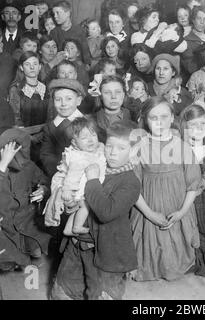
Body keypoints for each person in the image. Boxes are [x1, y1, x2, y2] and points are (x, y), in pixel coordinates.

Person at [50, 122, 141, 300]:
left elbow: (106, 212)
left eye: (121, 148)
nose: (113, 152)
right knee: (63, 292)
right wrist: (69, 202)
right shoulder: (96, 162)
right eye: (109, 146)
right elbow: (75, 196)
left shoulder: (131, 182)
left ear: (133, 152)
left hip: (107, 249)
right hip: (77, 243)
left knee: (100, 294)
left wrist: (92, 181)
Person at [130, 96, 201, 281]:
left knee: (176, 247)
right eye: (153, 118)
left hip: (178, 206)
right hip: (148, 206)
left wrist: (181, 212)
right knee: (149, 251)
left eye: (164, 116)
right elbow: (133, 188)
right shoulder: (138, 148)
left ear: (172, 118)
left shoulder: (184, 148)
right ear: (145, 120)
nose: (159, 122)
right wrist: (150, 214)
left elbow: (193, 185)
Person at [44, 118, 106, 236]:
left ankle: (68, 229)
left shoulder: (93, 149)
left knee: (78, 209)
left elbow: (100, 150)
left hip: (85, 183)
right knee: (85, 205)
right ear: (74, 143)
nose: (90, 140)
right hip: (75, 187)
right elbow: (72, 175)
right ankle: (77, 227)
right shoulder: (78, 157)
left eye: (93, 135)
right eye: (84, 138)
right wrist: (67, 190)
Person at [0, 129, 50, 271]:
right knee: (9, 258)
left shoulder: (29, 167)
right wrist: (2, 166)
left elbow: (44, 180)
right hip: (4, 223)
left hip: (25, 220)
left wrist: (43, 190)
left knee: (37, 251)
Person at [40, 78, 86, 178]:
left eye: (69, 99)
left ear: (78, 100)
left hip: (84, 174)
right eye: (58, 99)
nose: (63, 104)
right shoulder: (50, 127)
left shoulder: (88, 123)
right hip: (58, 174)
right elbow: (46, 155)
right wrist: (59, 173)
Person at [8, 52, 49, 128]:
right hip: (25, 134)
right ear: (21, 67)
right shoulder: (16, 89)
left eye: (35, 64)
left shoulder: (45, 88)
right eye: (27, 64)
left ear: (40, 67)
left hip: (45, 132)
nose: (32, 67)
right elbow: (15, 118)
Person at [90, 75, 132, 141]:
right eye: (107, 92)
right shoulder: (92, 121)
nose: (113, 97)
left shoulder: (135, 117)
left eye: (118, 92)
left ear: (123, 94)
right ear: (100, 96)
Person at [50, 1, 91, 66]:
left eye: (58, 13)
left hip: (77, 66)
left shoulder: (79, 30)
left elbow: (85, 51)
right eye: (54, 13)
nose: (55, 16)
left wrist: (87, 64)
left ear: (68, 13)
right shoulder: (54, 32)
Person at [181, 6, 205, 80]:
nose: (202, 22)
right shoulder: (186, 41)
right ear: (193, 20)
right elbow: (191, 68)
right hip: (195, 80)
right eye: (199, 18)